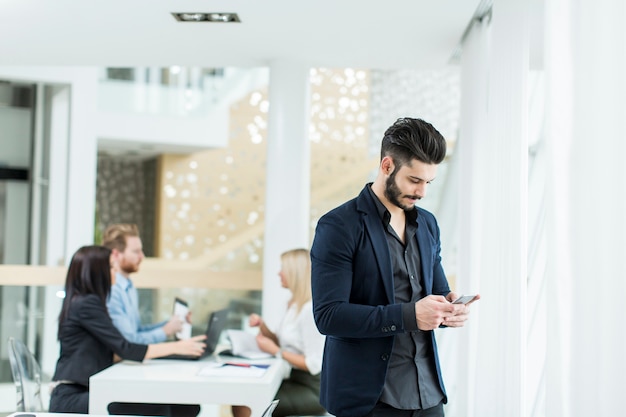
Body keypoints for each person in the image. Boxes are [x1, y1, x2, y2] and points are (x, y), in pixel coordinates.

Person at [310, 117, 480, 417]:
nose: (422, 192)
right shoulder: (339, 226)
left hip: (427, 393)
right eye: (414, 181)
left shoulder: (428, 224)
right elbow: (329, 316)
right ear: (387, 166)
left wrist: (449, 308)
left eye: (428, 182)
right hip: (370, 400)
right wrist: (410, 315)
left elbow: (438, 292)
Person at [49, 245, 206, 414]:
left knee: (185, 406)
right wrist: (176, 348)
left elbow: (118, 349)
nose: (116, 270)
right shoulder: (86, 304)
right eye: (110, 266)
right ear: (95, 272)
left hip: (90, 390)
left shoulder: (89, 302)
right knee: (159, 408)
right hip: (73, 396)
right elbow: (126, 348)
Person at [232, 248, 326, 417]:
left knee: (245, 406)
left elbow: (314, 364)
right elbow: (280, 342)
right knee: (241, 399)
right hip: (293, 381)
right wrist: (262, 326)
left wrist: (275, 351)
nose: (279, 273)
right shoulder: (292, 305)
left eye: (283, 268)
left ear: (294, 273)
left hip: (312, 389)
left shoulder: (308, 310)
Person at [102, 224, 186, 344]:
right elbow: (129, 341)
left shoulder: (129, 286)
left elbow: (137, 331)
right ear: (116, 255)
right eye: (136, 251)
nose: (142, 256)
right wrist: (165, 331)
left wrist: (172, 324)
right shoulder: (112, 291)